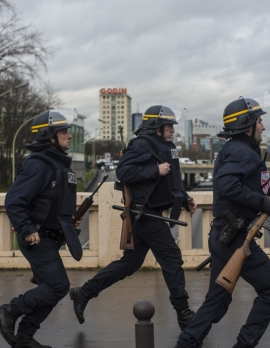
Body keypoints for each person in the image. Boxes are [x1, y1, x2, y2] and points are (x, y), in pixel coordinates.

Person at [164, 93, 270, 348]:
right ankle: (244, 347)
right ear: (247, 124)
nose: (263, 126)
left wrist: (267, 194)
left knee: (217, 301)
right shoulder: (240, 151)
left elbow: (243, 186)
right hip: (234, 239)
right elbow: (228, 187)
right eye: (259, 120)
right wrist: (261, 203)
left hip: (225, 236)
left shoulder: (239, 150)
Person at [69, 105, 198, 331]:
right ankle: (183, 313)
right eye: (169, 126)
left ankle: (84, 293)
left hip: (150, 214)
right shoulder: (142, 145)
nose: (172, 131)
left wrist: (185, 199)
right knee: (172, 259)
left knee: (130, 263)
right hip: (146, 215)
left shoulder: (166, 146)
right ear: (156, 126)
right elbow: (124, 172)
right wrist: (154, 170)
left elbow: (172, 180)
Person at [0, 109, 82, 348]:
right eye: (64, 131)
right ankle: (9, 311)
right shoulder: (37, 165)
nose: (69, 136)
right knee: (58, 287)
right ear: (49, 136)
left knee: (49, 291)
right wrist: (26, 228)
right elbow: (14, 200)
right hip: (36, 238)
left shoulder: (55, 165)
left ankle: (24, 338)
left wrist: (67, 223)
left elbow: (51, 204)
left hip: (50, 237)